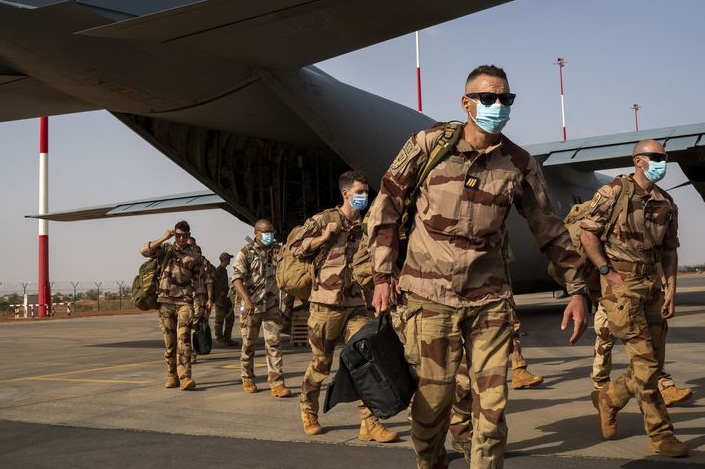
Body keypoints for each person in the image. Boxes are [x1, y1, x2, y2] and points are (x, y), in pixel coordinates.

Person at [367, 65, 589, 469]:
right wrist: (382, 275)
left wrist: (577, 289)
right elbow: (386, 206)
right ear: (466, 103)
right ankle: (430, 461)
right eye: (488, 98)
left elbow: (549, 227)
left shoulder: (518, 163)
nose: (497, 106)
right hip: (428, 298)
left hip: (489, 301)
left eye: (505, 99)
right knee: (433, 405)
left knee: (491, 408)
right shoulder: (429, 144)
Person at [580, 139, 689, 457]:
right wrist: (605, 271)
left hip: (652, 286)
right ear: (638, 161)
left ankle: (609, 398)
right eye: (655, 157)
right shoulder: (613, 192)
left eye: (665, 157)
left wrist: (671, 288)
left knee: (652, 366)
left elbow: (670, 249)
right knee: (645, 363)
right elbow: (588, 231)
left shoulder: (666, 202)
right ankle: (661, 435)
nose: (662, 162)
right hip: (620, 289)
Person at [292, 170, 398, 443]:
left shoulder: (366, 225)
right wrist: (323, 237)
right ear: (346, 193)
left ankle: (370, 423)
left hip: (357, 303)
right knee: (321, 364)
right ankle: (308, 410)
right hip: (325, 304)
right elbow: (296, 248)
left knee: (365, 360)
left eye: (366, 192)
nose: (364, 196)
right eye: (360, 192)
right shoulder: (324, 219)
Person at [140, 220, 211, 390]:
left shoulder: (195, 257)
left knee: (184, 340)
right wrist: (164, 238)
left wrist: (202, 306)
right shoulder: (165, 251)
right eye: (178, 235)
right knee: (170, 343)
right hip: (165, 302)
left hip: (184, 302)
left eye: (184, 236)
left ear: (188, 236)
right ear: (174, 234)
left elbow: (200, 284)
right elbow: (144, 250)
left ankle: (185, 376)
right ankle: (172, 375)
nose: (180, 239)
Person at [231, 219, 292, 397]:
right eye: (265, 232)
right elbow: (236, 279)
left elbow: (288, 274)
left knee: (274, 343)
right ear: (256, 232)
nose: (269, 235)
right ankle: (247, 377)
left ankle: (277, 383)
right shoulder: (245, 253)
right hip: (251, 306)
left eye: (271, 232)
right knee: (249, 344)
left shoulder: (279, 251)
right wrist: (247, 300)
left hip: (272, 305)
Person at [592, 301, 692, 406]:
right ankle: (601, 387)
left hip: (642, 300)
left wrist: (669, 292)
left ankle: (664, 386)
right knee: (604, 343)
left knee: (649, 343)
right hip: (612, 301)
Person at [186, 238, 214, 363]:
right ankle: (189, 351)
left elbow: (208, 281)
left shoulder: (202, 262)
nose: (189, 248)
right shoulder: (180, 260)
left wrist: (209, 299)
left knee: (194, 324)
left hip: (198, 298)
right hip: (184, 298)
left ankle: (192, 352)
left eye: (191, 245)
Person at [213, 252, 237, 346]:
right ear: (224, 260)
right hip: (220, 299)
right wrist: (218, 295)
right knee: (219, 320)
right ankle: (219, 339)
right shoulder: (218, 270)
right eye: (228, 259)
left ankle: (227, 338)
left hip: (225, 298)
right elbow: (214, 284)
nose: (229, 260)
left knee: (230, 318)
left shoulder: (224, 270)